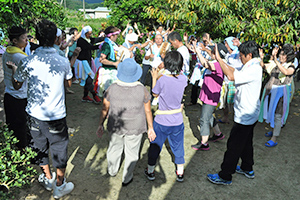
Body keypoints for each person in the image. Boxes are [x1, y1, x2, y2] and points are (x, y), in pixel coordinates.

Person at [11, 19, 76, 198]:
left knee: (38, 146)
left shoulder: (28, 61)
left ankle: (47, 179)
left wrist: (15, 72)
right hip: (56, 115)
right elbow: (69, 82)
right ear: (55, 38)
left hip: (34, 114)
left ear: (37, 37)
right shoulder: (62, 60)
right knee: (59, 147)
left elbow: (17, 85)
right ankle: (59, 185)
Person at [207, 41, 262, 185]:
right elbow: (233, 70)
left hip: (245, 114)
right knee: (246, 142)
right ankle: (247, 167)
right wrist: (222, 62)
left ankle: (225, 175)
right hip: (250, 113)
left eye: (242, 55)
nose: (240, 58)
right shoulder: (252, 64)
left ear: (249, 55)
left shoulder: (253, 69)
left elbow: (231, 76)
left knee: (233, 146)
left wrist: (219, 59)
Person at [96, 58, 155, 186]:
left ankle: (112, 170)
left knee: (114, 148)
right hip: (136, 126)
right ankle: (127, 177)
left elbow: (104, 108)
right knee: (132, 152)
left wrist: (100, 124)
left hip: (115, 124)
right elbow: (148, 111)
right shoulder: (142, 89)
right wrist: (150, 127)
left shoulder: (112, 88)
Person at [144, 51, 187, 182]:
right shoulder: (184, 79)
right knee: (178, 145)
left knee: (155, 145)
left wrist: (155, 77)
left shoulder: (162, 80)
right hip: (177, 119)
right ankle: (180, 171)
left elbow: (155, 94)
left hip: (162, 120)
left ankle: (150, 170)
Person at [191, 42, 226, 151]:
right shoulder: (217, 63)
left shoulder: (218, 64)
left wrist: (197, 52)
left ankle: (204, 144)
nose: (210, 53)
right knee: (209, 116)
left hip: (211, 97)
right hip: (208, 96)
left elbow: (205, 64)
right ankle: (218, 134)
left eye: (212, 52)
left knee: (204, 119)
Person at [259, 44, 295, 147]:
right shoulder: (277, 64)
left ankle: (274, 138)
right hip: (272, 93)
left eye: (283, 55)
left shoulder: (291, 66)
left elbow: (286, 72)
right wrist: (262, 58)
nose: (281, 56)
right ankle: (273, 130)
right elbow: (264, 67)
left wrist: (275, 60)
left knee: (278, 115)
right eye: (281, 54)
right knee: (272, 113)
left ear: (289, 56)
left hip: (281, 95)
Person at [2, 26, 29, 149]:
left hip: (9, 95)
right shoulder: (21, 57)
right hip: (20, 97)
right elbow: (19, 82)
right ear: (15, 41)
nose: (27, 40)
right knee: (21, 129)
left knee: (11, 128)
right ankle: (22, 156)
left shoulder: (7, 52)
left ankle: (13, 154)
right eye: (24, 38)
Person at [74, 25, 104, 103]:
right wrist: (101, 46)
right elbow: (90, 47)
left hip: (88, 61)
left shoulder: (88, 39)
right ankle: (94, 95)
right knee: (89, 79)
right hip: (83, 62)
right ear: (85, 33)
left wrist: (105, 38)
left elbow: (95, 39)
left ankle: (85, 96)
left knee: (88, 78)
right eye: (88, 34)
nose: (90, 35)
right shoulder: (81, 41)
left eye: (90, 34)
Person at [95, 26, 121, 97]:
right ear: (112, 36)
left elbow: (120, 46)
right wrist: (114, 63)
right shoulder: (107, 45)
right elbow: (102, 59)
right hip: (108, 71)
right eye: (116, 35)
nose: (117, 37)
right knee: (109, 94)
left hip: (113, 70)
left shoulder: (112, 44)